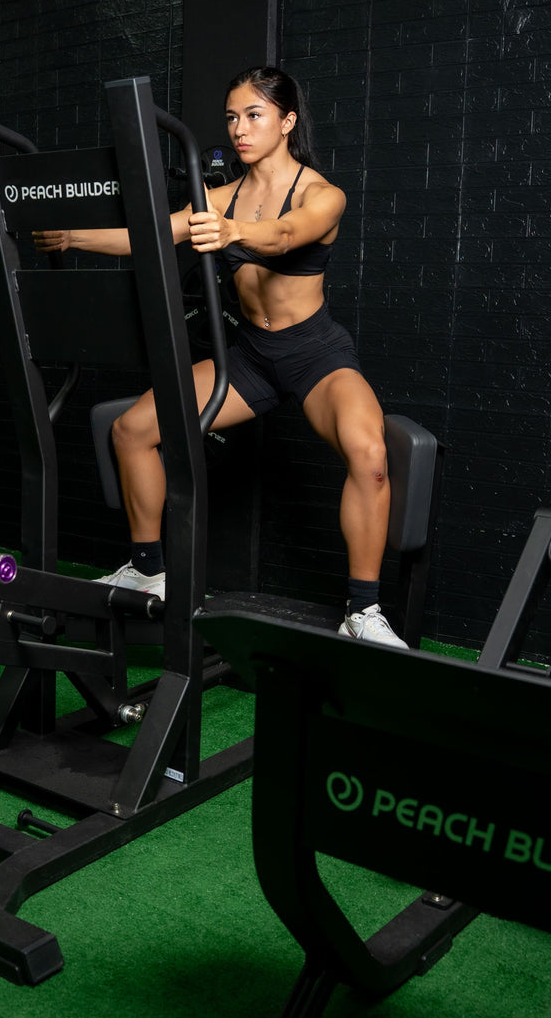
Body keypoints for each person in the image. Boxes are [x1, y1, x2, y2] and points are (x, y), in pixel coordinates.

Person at [32, 65, 406, 649]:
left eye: (254, 115)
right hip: (251, 358)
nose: (239, 129)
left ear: (287, 121)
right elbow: (151, 236)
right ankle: (148, 570)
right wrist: (73, 237)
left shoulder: (321, 195)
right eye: (232, 117)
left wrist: (231, 233)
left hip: (315, 355)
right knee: (131, 430)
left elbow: (285, 236)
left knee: (370, 455)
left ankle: (363, 611)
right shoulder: (219, 197)